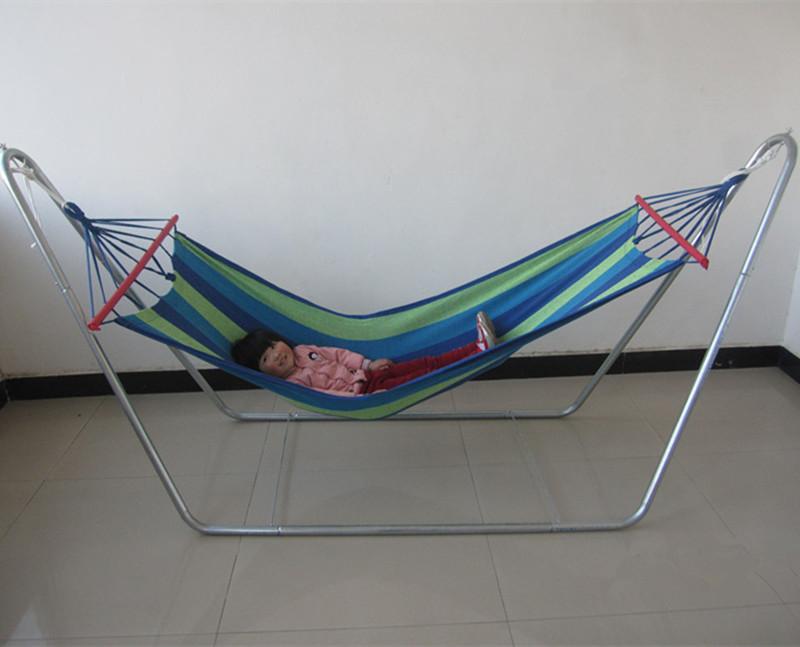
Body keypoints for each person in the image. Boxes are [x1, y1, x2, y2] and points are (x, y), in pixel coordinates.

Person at [231, 312, 498, 396]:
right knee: (425, 376)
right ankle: (479, 350)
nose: (275, 355)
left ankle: (476, 346)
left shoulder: (303, 351)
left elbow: (338, 355)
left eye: (272, 346)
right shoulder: (295, 384)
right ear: (262, 373)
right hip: (368, 392)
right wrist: (358, 399)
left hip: (370, 374)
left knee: (428, 363)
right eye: (265, 359)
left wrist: (368, 364)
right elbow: (326, 396)